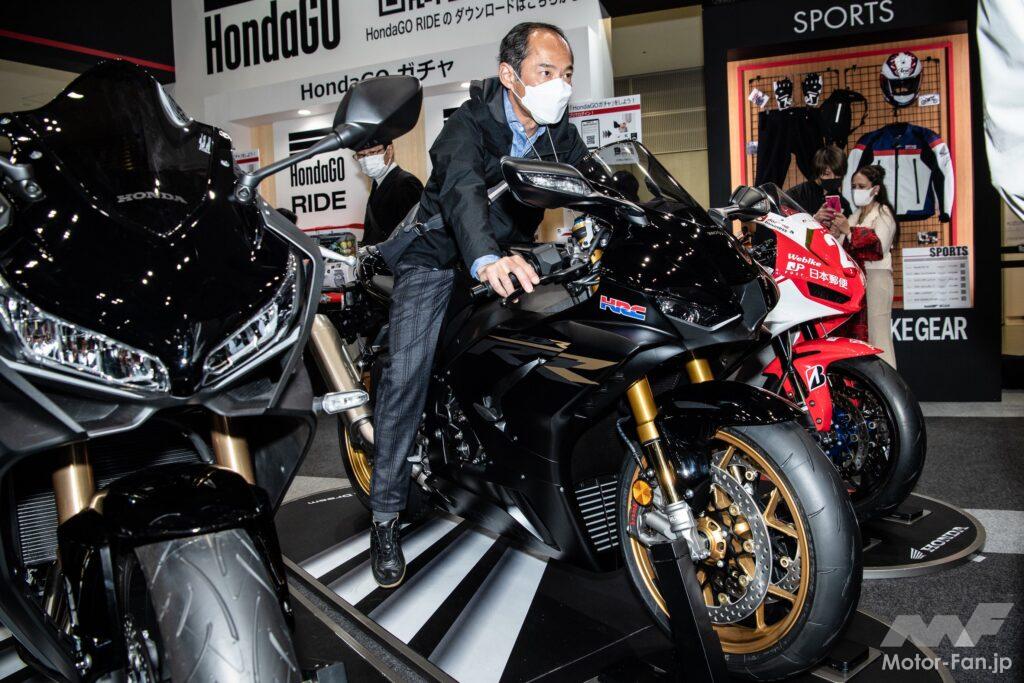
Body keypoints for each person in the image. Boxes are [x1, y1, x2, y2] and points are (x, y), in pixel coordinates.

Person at [367, 22, 588, 588]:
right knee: (406, 376)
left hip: (509, 256)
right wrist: (485, 258)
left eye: (566, 74)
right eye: (546, 72)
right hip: (439, 258)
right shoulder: (465, 126)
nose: (560, 85)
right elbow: (463, 189)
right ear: (509, 75)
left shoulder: (560, 134)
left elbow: (599, 183)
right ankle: (385, 515)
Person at [833, 164, 898, 368]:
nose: (856, 191)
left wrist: (849, 232)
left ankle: (886, 379)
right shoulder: (855, 215)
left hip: (876, 278)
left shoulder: (883, 213)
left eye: (861, 186)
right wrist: (835, 230)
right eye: (854, 186)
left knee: (878, 334)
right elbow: (841, 247)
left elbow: (879, 246)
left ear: (875, 189)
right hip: (857, 282)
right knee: (858, 337)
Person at [354, 143, 423, 246]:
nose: (367, 161)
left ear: (389, 151)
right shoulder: (377, 184)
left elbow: (415, 234)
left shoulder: (406, 183)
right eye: (362, 155)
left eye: (372, 152)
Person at [786, 145, 852, 234]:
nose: (833, 178)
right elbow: (784, 225)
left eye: (837, 174)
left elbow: (849, 234)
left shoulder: (843, 203)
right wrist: (813, 219)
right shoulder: (796, 195)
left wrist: (839, 234)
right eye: (827, 174)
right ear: (818, 172)